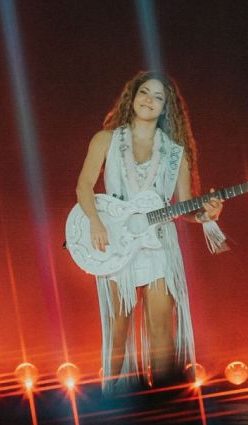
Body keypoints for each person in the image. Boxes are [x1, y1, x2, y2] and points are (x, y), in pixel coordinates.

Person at [75, 71, 224, 393]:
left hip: (158, 246)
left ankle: (163, 407)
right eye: (145, 92)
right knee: (118, 330)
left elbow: (185, 207)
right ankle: (112, 405)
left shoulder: (175, 154)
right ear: (132, 96)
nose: (149, 100)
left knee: (161, 334)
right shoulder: (106, 140)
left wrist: (207, 213)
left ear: (166, 108)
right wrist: (96, 224)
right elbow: (84, 186)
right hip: (117, 240)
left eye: (158, 97)